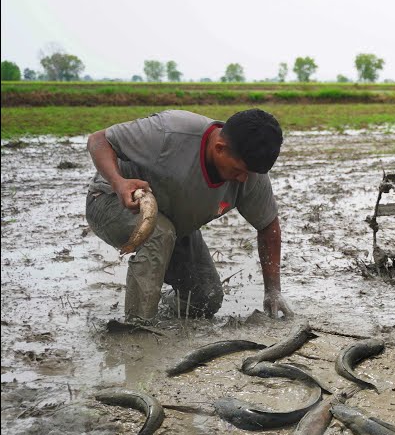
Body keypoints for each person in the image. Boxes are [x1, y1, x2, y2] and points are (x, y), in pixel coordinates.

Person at [85, 108, 292, 322]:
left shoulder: (250, 174)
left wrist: (273, 291)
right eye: (238, 171)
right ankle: (138, 327)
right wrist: (118, 182)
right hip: (109, 200)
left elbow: (268, 226)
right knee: (159, 233)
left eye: (249, 173)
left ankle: (159, 305)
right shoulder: (171, 131)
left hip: (173, 225)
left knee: (205, 298)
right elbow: (99, 140)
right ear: (220, 148)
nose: (242, 179)